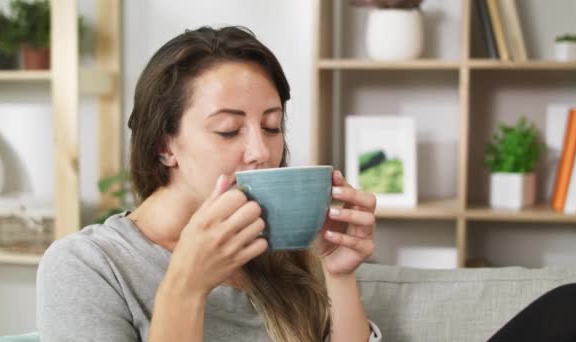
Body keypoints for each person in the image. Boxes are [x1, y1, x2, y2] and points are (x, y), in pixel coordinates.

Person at [37, 26, 381, 342]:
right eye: (228, 130)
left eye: (272, 127)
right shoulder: (89, 265)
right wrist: (186, 286)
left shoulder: (287, 251)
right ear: (164, 146)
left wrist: (339, 275)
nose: (260, 152)